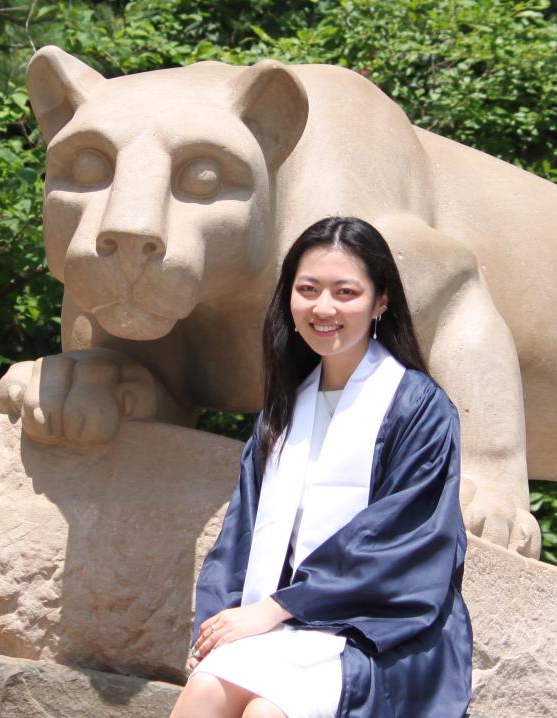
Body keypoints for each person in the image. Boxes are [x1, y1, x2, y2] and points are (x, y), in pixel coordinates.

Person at [169, 216, 472, 718]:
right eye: (307, 289)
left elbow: (399, 542)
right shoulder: (282, 411)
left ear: (381, 302)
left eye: (346, 292)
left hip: (376, 632)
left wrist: (275, 609)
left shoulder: (418, 407)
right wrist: (221, 621)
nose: (324, 307)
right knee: (205, 688)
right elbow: (240, 536)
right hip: (281, 624)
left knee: (268, 710)